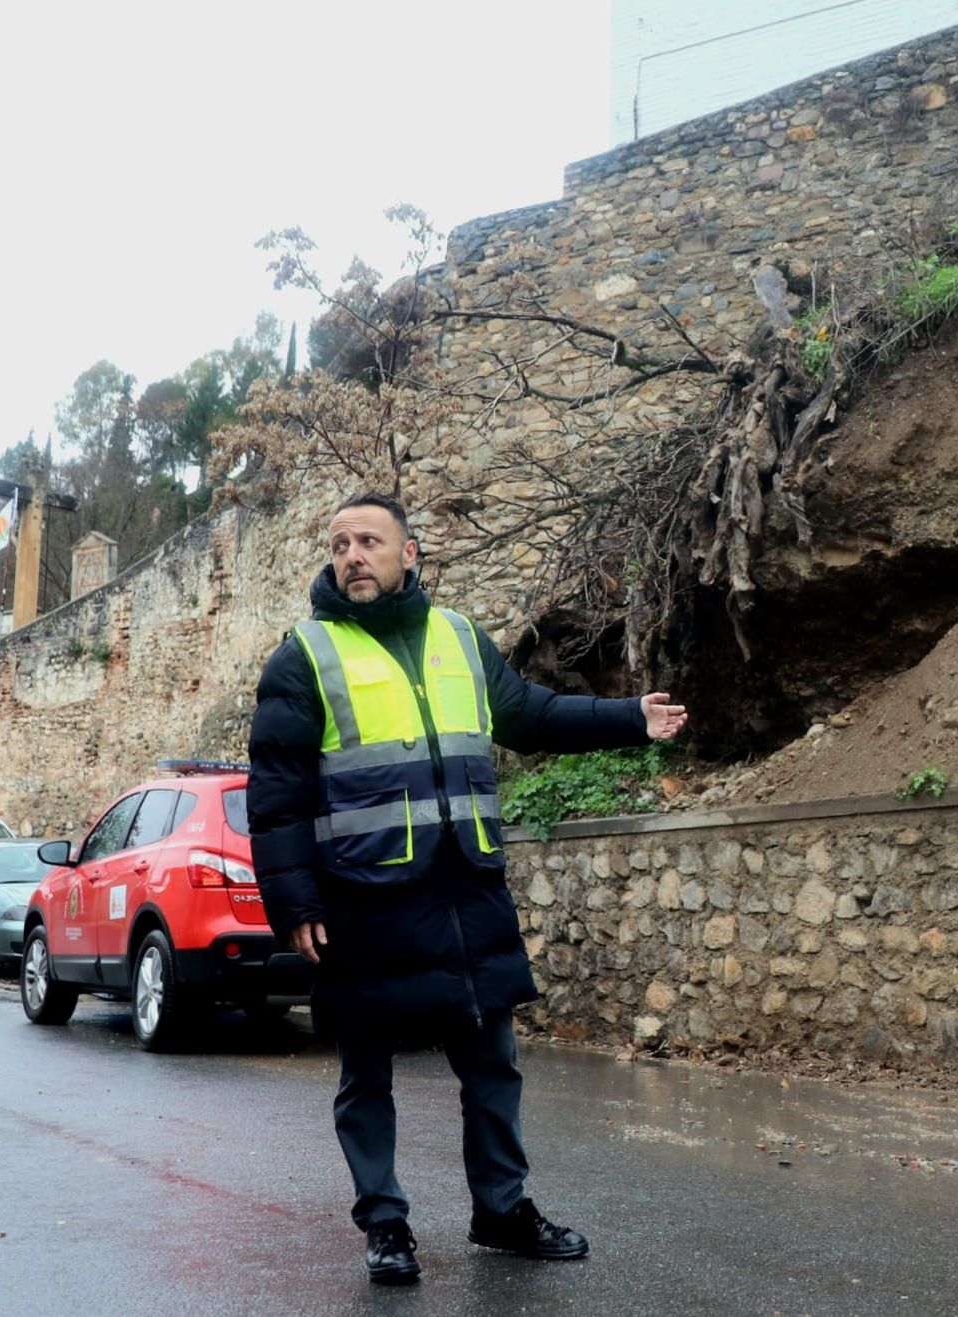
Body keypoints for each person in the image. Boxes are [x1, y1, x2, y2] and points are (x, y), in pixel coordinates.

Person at [247, 490, 686, 1284]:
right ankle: (385, 1224)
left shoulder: (458, 638)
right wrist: (294, 903)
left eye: (370, 541)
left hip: (466, 893)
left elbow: (530, 714)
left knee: (493, 1060)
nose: (353, 555)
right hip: (362, 899)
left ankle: (503, 1210)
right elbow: (276, 793)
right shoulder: (303, 656)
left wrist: (628, 716)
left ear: (408, 553)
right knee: (365, 1073)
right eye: (341, 542)